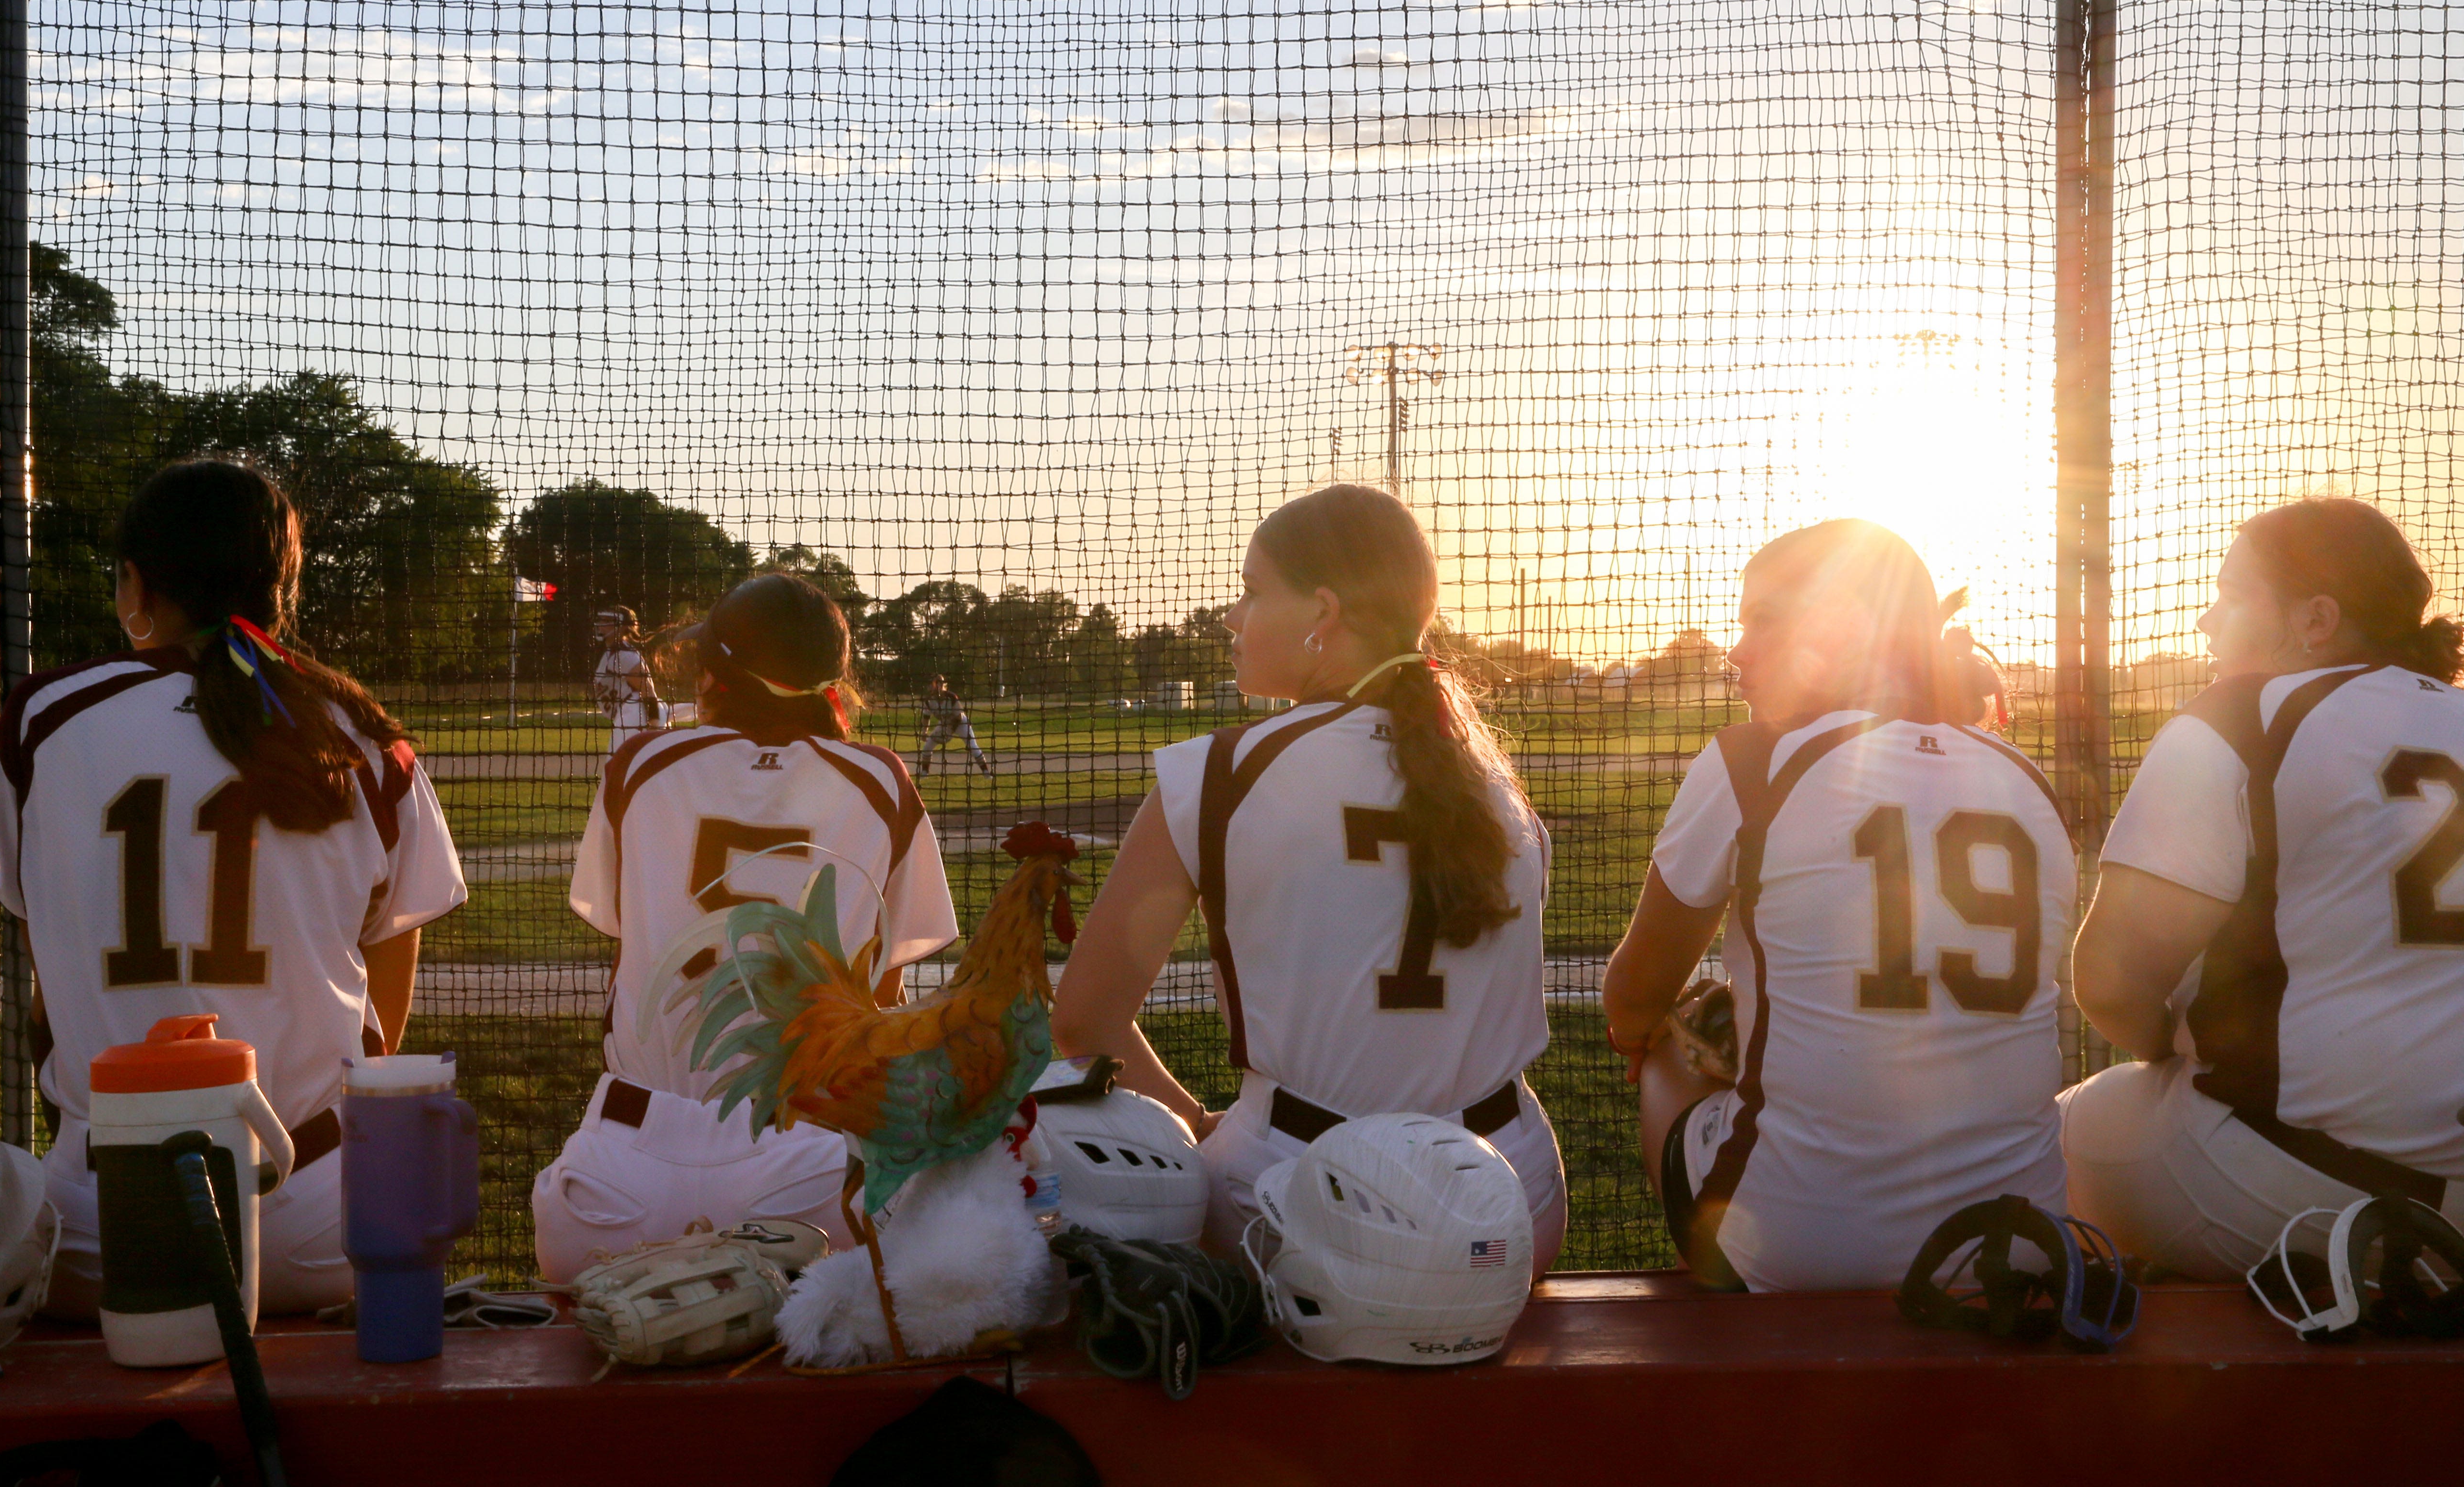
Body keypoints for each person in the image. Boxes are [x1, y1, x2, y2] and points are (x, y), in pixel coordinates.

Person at [1054, 484, 1567, 1275]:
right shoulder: (1492, 780)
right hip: (1508, 1199)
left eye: (1253, 592)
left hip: (1294, 1201)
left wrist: (1198, 1122)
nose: (1231, 616)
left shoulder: (1217, 771)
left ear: (1322, 612)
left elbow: (1082, 1025)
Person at [0, 459, 466, 1317]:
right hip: (321, 1225)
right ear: (283, 586)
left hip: (102, 1226)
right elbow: (385, 1001)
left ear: (136, 581)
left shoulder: (44, 717)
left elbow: (49, 955)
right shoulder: (358, 730)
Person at [1603, 519, 2071, 1291]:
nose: (1739, 650)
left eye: (1764, 621)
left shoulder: (1752, 760)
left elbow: (1633, 993)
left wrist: (1651, 1032)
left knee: (1661, 1039)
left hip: (1798, 1250)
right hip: (2017, 1244)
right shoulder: (2026, 778)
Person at [2062, 498, 2464, 1278]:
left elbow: (2108, 982)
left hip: (2305, 1195)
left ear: (2314, 620)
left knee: (2047, 1138)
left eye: (2229, 596)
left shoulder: (2244, 714)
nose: (2206, 624)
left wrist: (2170, 1049)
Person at [536, 573, 961, 1282]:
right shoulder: (880, 780)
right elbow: (880, 999)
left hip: (617, 1187)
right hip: (808, 1181)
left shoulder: (642, 763)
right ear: (832, 683)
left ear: (714, 677)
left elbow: (626, 946)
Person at [591, 606, 665, 753]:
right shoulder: (612, 652)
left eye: (608, 621)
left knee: (619, 767)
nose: (601, 624)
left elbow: (647, 688)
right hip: (627, 715)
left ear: (622, 627)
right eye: (601, 620)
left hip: (635, 714)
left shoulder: (624, 655)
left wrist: (654, 724)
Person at [916, 674, 992, 776]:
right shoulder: (929, 701)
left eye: (938, 683)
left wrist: (949, 731)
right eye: (933, 684)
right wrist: (924, 732)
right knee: (927, 747)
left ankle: (986, 772)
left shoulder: (951, 697)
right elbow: (926, 717)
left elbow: (959, 717)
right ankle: (925, 772)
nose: (932, 686)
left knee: (972, 746)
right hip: (944, 724)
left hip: (961, 724)